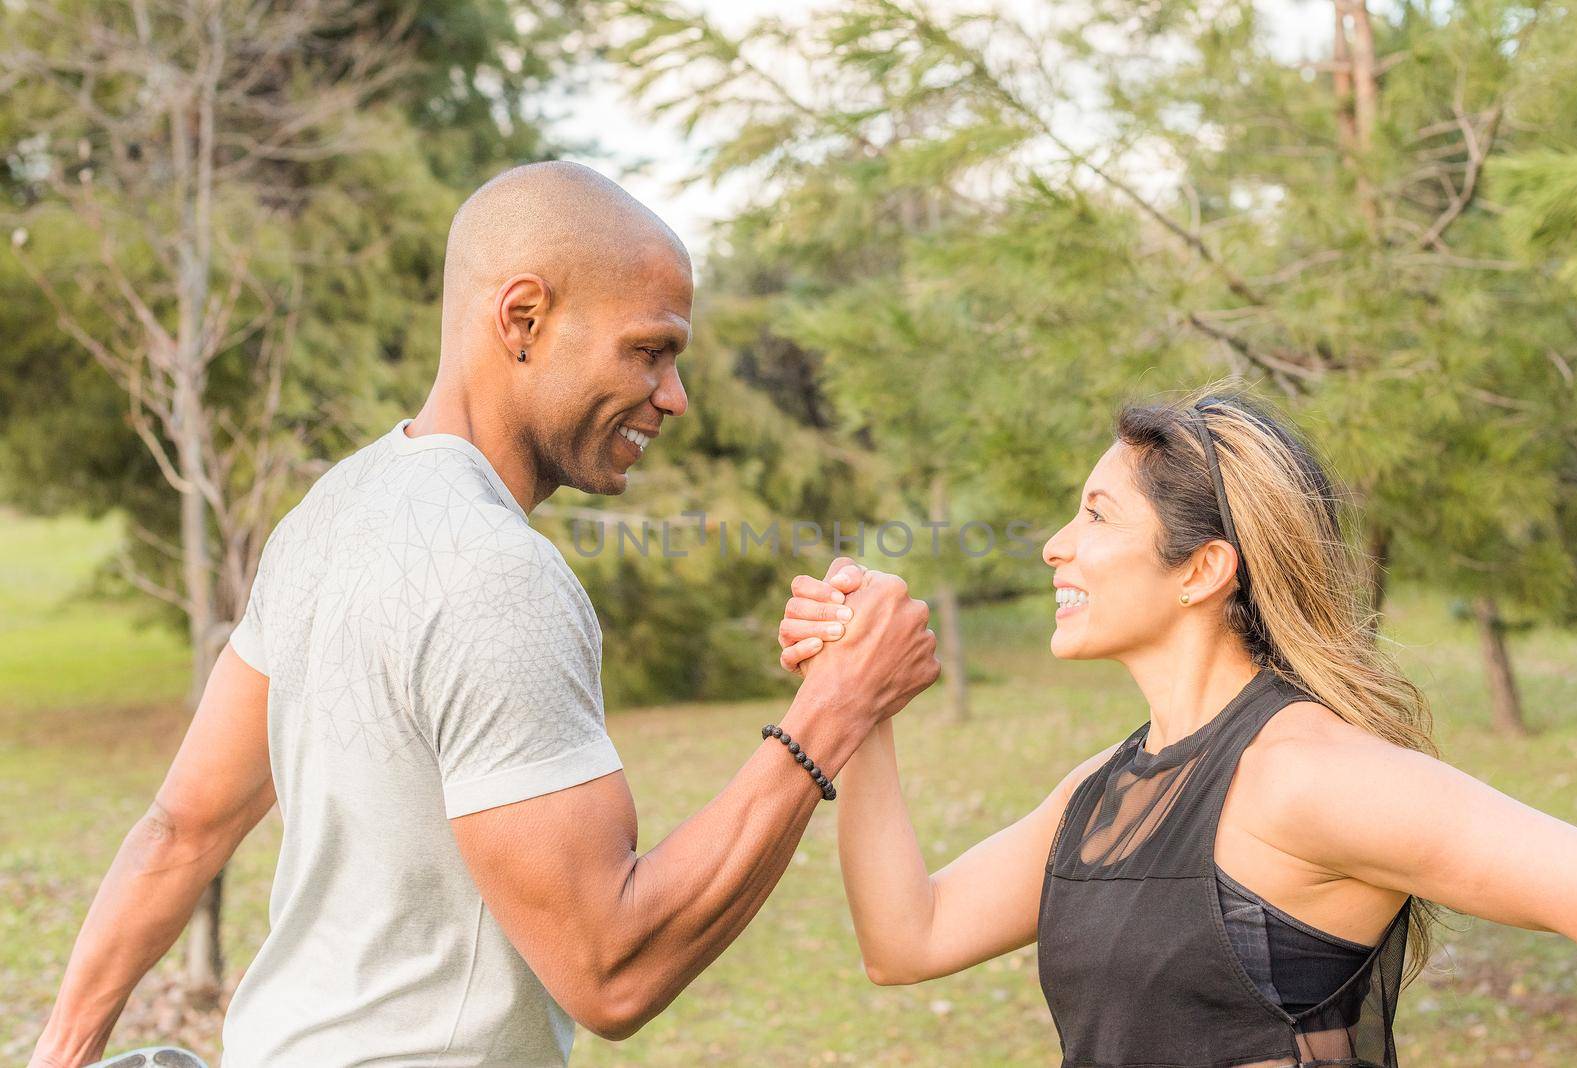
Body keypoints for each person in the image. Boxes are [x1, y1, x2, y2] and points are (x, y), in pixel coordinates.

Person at [27, 162, 940, 1068]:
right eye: (649, 350)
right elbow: (611, 969)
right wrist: (839, 706)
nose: (674, 395)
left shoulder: (330, 513)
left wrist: (58, 1054)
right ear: (524, 320)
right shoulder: (496, 575)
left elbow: (181, 830)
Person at [780, 391, 1577, 1068]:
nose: (1054, 547)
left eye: (1097, 517)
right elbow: (906, 940)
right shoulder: (1107, 788)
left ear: (1203, 570)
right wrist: (861, 704)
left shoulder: (1305, 774)